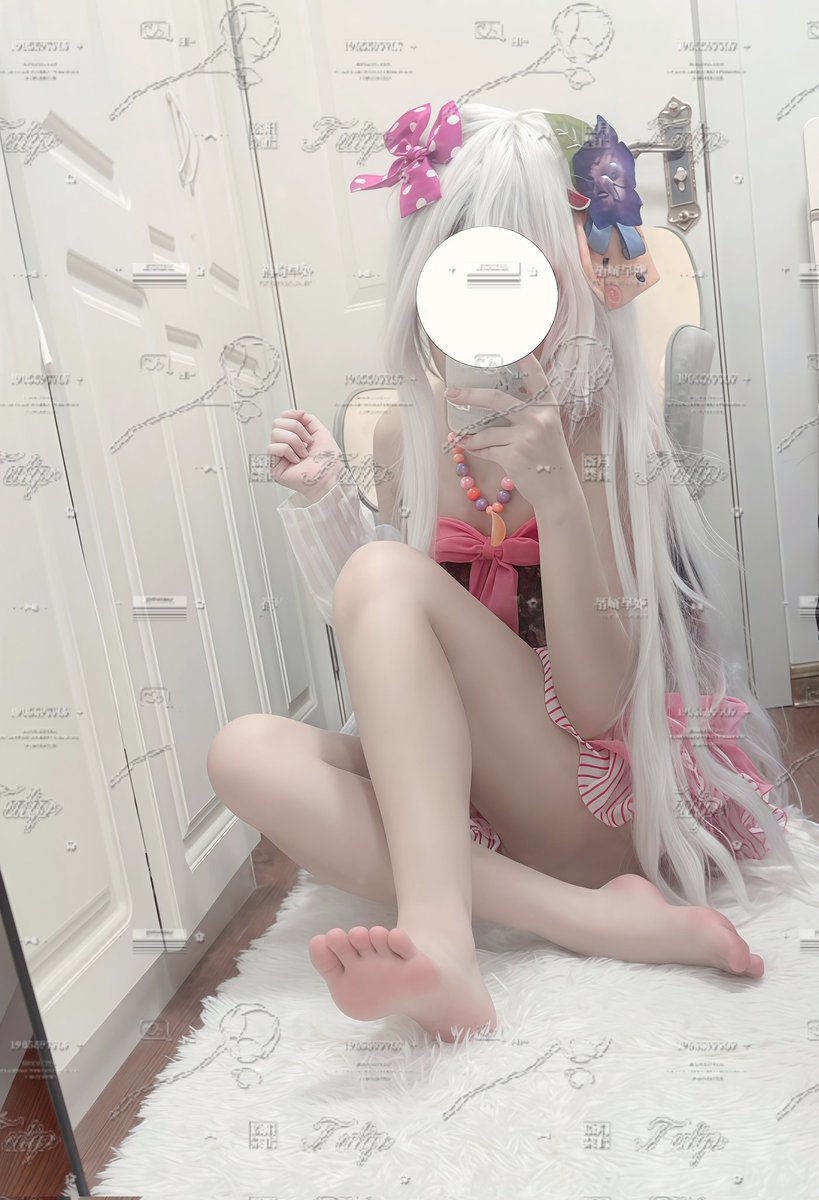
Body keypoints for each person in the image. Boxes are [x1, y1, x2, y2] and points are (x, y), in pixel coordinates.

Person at [206, 102, 812, 1043]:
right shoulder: (408, 435)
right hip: (485, 792)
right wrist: (326, 498)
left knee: (382, 576)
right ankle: (588, 919)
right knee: (243, 751)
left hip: (589, 798)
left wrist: (558, 495)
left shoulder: (612, 441)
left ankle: (442, 940)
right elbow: (388, 646)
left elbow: (602, 705)